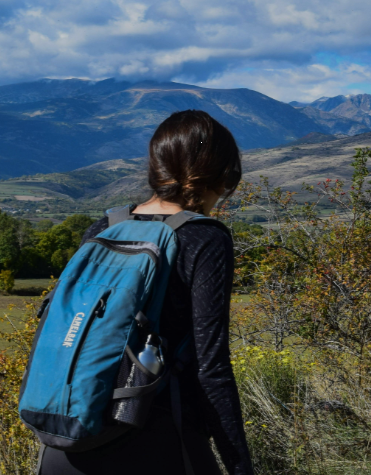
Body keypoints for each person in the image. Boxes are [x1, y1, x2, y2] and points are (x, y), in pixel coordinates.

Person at [40, 110, 254, 475]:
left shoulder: (104, 227)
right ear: (219, 175)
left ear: (156, 168)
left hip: (66, 440)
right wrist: (240, 466)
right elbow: (211, 368)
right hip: (155, 438)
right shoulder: (204, 238)